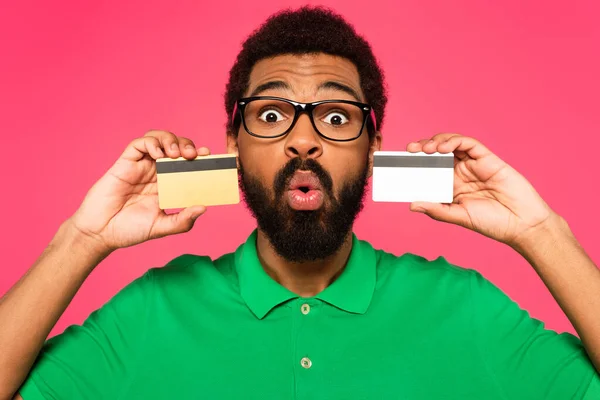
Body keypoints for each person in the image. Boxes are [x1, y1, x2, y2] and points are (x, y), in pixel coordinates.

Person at [1, 6, 599, 400]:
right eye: (271, 114)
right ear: (233, 144)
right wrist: (81, 239)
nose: (303, 137)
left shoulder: (462, 306)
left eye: (337, 116)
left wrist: (542, 231)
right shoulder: (155, 309)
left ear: (374, 147)